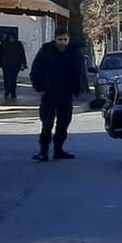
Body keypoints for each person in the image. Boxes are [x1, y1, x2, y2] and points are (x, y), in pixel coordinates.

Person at [29, 31, 81, 162]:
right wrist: (39, 88)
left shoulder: (73, 52)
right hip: (49, 92)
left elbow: (78, 72)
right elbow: (36, 69)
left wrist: (77, 89)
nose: (62, 42)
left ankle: (59, 149)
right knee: (47, 122)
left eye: (65, 39)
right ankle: (43, 150)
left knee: (64, 122)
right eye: (60, 39)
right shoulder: (46, 51)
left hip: (66, 93)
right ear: (55, 39)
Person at [0, 32, 28, 100]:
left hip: (15, 65)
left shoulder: (18, 44)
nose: (11, 39)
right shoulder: (5, 44)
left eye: (12, 37)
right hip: (7, 65)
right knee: (7, 79)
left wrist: (24, 63)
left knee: (13, 79)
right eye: (10, 37)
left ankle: (12, 92)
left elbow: (22, 54)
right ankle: (8, 91)